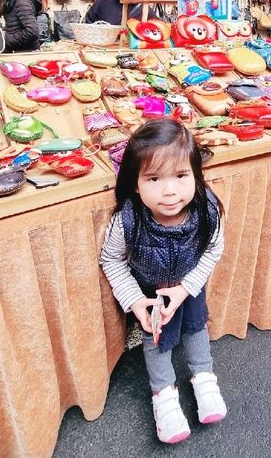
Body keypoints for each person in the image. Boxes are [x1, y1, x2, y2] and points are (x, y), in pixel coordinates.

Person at [100, 119, 227, 444]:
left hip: (188, 284)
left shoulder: (207, 210)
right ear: (135, 183)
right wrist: (135, 301)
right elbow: (111, 259)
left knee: (197, 326)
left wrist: (186, 288)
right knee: (156, 338)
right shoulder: (127, 218)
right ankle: (164, 397)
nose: (169, 190)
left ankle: (203, 377)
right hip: (151, 293)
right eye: (154, 178)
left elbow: (214, 249)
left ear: (196, 176)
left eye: (181, 176)